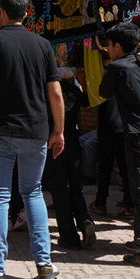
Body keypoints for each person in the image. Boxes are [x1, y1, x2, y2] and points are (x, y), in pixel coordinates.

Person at [0, 0, 64, 279]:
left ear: (3, 14)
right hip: (36, 132)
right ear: (25, 15)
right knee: (33, 193)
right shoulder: (43, 45)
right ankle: (44, 266)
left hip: (0, 133)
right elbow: (55, 93)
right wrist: (58, 131)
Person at [99, 22, 140, 268]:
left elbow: (103, 91)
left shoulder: (117, 67)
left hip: (139, 133)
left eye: (109, 45)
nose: (108, 50)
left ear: (118, 45)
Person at [43, 67, 97, 250]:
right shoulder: (74, 92)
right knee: (75, 187)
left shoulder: (48, 93)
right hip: (73, 143)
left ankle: (69, 236)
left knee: (59, 191)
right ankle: (85, 220)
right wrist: (81, 81)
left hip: (54, 142)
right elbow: (89, 101)